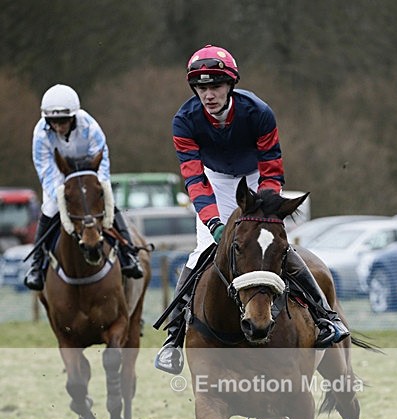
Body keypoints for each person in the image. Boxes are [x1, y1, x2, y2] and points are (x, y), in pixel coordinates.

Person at [154, 45, 350, 375]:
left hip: (257, 180)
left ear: (230, 85)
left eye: (215, 86)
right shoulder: (184, 121)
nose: (209, 95)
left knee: (277, 249)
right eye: (202, 88)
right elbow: (193, 178)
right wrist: (214, 222)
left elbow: (272, 167)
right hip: (214, 183)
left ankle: (325, 318)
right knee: (202, 251)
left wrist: (265, 212)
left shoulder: (258, 112)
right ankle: (174, 338)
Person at [24, 83, 143, 290]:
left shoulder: (90, 126)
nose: (59, 127)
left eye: (63, 121)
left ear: (73, 117)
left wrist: (100, 188)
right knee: (49, 209)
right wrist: (63, 196)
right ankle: (37, 265)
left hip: (90, 175)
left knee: (108, 206)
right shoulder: (40, 134)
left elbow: (102, 157)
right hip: (61, 179)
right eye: (54, 122)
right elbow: (45, 169)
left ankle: (129, 255)